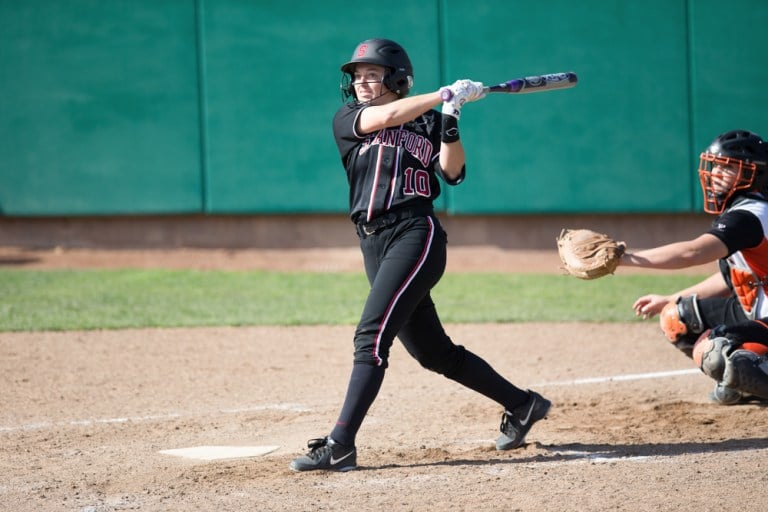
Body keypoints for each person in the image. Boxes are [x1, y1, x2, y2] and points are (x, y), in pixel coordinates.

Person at [289, 38, 551, 472]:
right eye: (357, 76)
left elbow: (452, 173)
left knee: (370, 339)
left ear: (396, 79)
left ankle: (340, 444)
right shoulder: (349, 118)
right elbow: (389, 116)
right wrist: (444, 93)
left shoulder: (428, 120)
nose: (362, 83)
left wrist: (450, 118)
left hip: (415, 234)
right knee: (434, 354)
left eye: (372, 75)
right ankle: (522, 405)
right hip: (373, 243)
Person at [618, 129, 768, 404]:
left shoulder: (748, 217)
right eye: (716, 166)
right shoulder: (744, 212)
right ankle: (744, 385)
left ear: (753, 174)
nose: (716, 173)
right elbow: (728, 281)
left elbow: (692, 252)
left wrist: (624, 258)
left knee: (717, 349)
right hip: (757, 315)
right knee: (677, 316)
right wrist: (669, 299)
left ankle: (748, 372)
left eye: (728, 167)